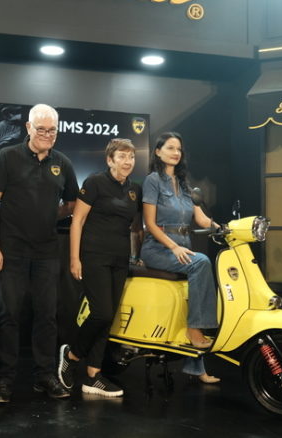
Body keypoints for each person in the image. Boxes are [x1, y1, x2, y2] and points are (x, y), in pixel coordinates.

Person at [0, 103, 78, 404]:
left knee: (47, 316)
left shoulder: (63, 163)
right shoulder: (7, 157)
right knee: (8, 315)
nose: (47, 135)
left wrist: (49, 216)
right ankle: (4, 380)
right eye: (41, 129)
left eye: (53, 130)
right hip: (11, 250)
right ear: (28, 128)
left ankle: (44, 375)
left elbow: (72, 204)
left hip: (47, 251)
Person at [57, 139, 143, 397]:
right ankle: (71, 355)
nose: (127, 161)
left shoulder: (135, 190)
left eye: (131, 157)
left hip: (120, 260)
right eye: (122, 156)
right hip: (94, 256)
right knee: (102, 313)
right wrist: (74, 258)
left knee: (109, 318)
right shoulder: (95, 182)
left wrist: (136, 255)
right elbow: (77, 221)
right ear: (110, 160)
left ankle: (93, 376)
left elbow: (135, 228)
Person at [140, 132, 220, 383]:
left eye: (179, 149)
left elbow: (201, 218)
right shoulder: (153, 181)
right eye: (170, 148)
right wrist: (173, 247)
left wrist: (225, 229)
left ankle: (196, 367)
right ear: (158, 151)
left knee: (191, 295)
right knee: (202, 262)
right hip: (157, 248)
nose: (176, 153)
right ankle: (194, 330)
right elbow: (150, 224)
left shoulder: (185, 183)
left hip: (183, 246)